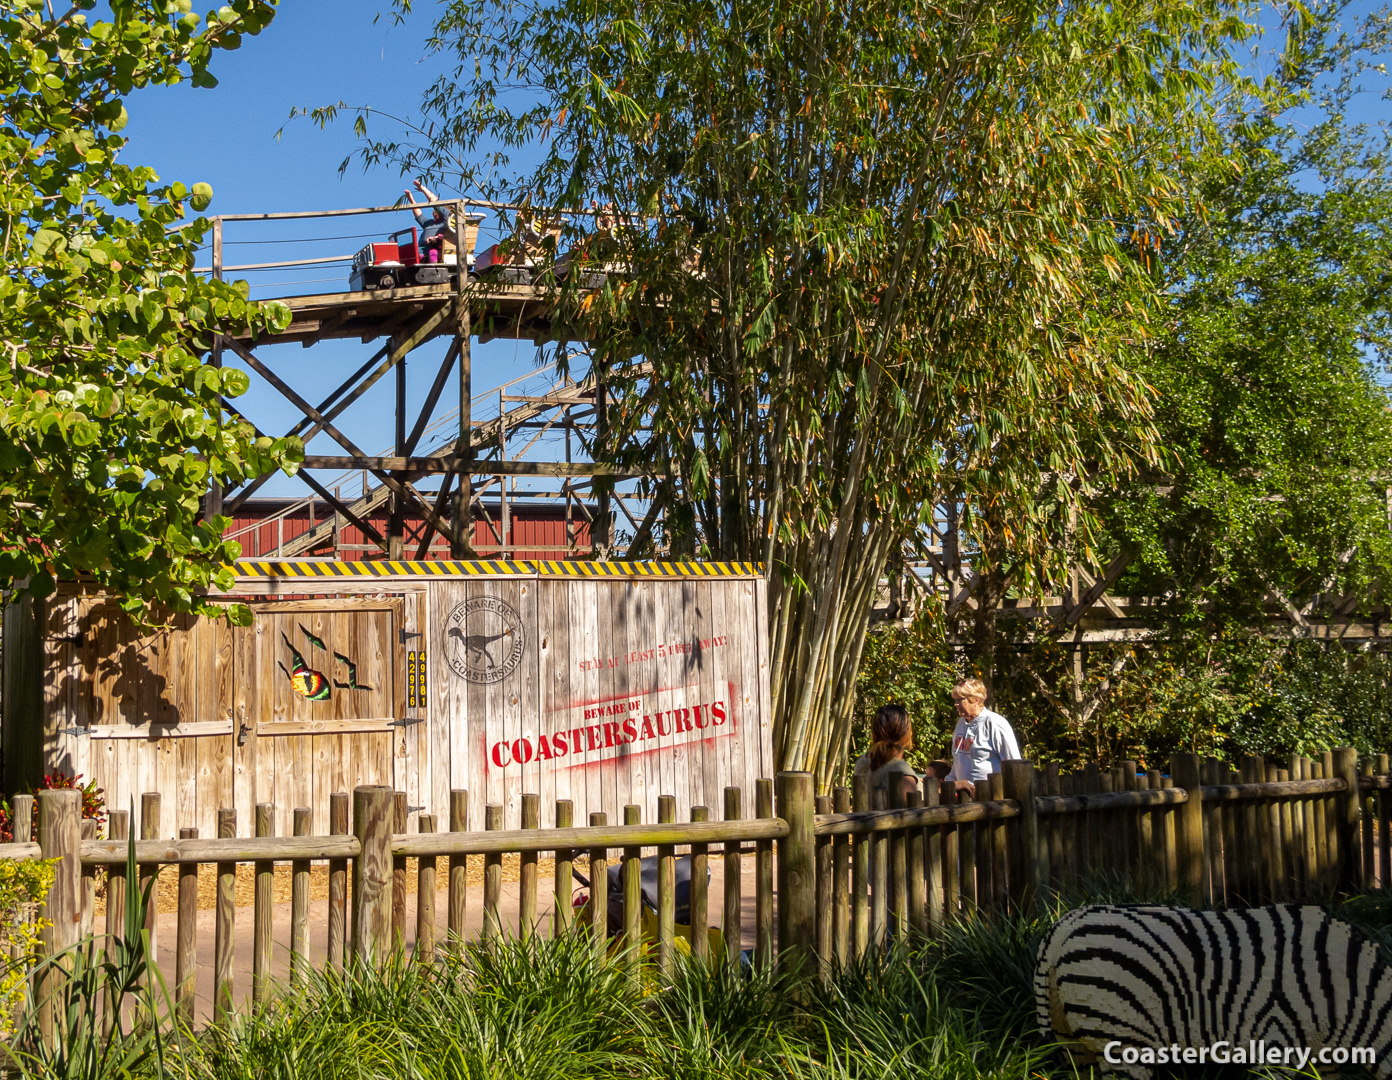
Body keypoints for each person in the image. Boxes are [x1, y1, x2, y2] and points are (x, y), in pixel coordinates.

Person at [944, 677, 1021, 796]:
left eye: (960, 699)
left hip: (990, 798)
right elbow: (958, 761)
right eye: (955, 700)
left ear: (975, 700)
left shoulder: (995, 723)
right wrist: (949, 784)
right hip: (963, 799)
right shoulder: (960, 723)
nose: (955, 704)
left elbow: (1014, 764)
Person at [852, 703, 921, 793]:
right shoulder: (900, 770)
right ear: (906, 733)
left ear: (874, 732)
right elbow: (913, 804)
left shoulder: (862, 762)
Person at [402, 178, 456, 262]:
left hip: (434, 250)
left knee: (432, 253)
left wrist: (423, 189)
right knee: (407, 253)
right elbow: (419, 215)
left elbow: (434, 201)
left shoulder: (446, 220)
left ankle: (434, 270)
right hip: (422, 249)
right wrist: (411, 200)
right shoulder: (429, 223)